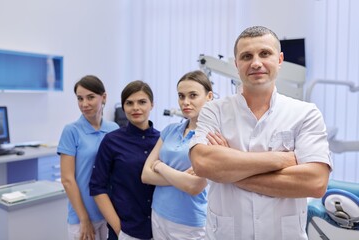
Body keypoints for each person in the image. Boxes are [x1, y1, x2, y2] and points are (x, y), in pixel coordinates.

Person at [189, 26, 332, 240]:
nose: (256, 63)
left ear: (280, 59)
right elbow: (202, 164)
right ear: (236, 64)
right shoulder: (214, 110)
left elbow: (315, 183)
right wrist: (282, 159)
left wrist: (230, 171)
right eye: (246, 56)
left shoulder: (305, 113)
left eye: (265, 53)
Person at [141, 70, 213, 239]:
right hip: (159, 213)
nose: (185, 102)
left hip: (190, 222)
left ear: (209, 97)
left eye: (193, 95)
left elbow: (194, 186)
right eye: (181, 96)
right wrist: (181, 178)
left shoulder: (212, 136)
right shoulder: (170, 130)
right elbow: (145, 175)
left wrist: (159, 166)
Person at [89, 80, 160, 240]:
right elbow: (97, 187)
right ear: (123, 106)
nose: (135, 108)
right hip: (126, 230)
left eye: (142, 102)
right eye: (129, 103)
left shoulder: (163, 140)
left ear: (152, 105)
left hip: (160, 228)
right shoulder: (112, 141)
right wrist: (119, 230)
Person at [58, 75, 119, 240]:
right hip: (82, 217)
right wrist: (83, 218)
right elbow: (67, 180)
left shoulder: (113, 129)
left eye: (91, 97)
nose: (84, 104)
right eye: (80, 98)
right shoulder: (71, 131)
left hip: (109, 213)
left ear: (103, 97)